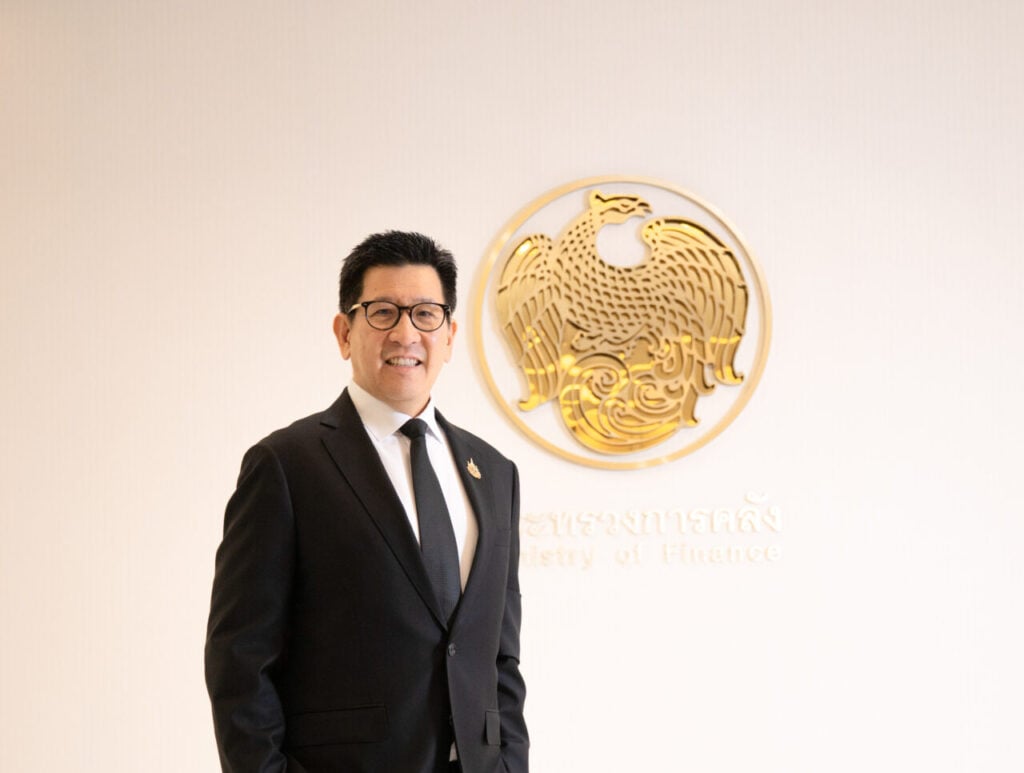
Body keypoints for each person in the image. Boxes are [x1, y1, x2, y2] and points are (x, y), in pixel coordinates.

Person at [205, 231, 528, 773]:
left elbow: (500, 654)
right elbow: (240, 661)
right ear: (344, 332)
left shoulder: (495, 473)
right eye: (382, 312)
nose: (406, 332)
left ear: (449, 336)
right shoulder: (287, 465)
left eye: (425, 314)